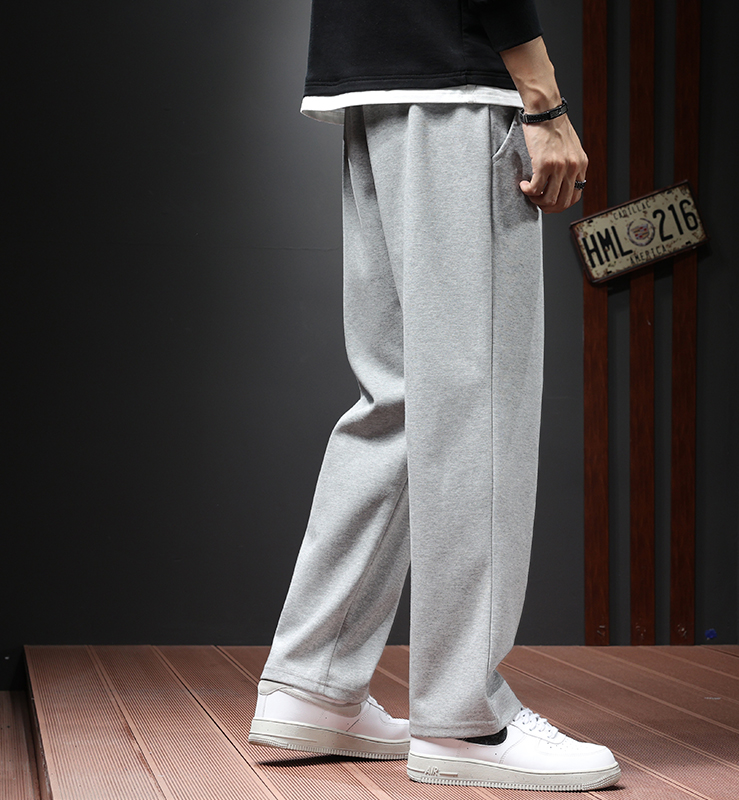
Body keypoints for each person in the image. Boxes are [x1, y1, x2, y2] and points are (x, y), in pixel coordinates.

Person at [249, 0, 620, 791]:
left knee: (403, 402)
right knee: (473, 405)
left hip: (368, 76)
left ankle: (315, 681)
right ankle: (464, 720)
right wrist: (545, 103)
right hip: (458, 83)